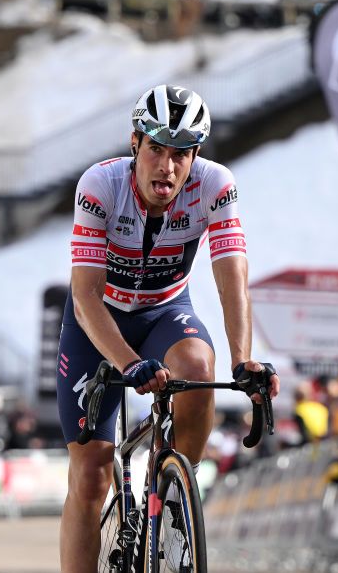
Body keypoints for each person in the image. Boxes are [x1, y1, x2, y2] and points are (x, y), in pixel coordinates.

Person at [56, 84, 280, 573]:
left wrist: (243, 359)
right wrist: (130, 364)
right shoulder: (100, 186)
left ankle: (175, 496)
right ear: (134, 143)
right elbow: (85, 295)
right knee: (92, 474)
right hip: (99, 319)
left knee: (199, 368)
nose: (167, 166)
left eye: (181, 154)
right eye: (156, 149)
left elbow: (231, 277)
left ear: (195, 156)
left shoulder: (215, 185)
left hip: (163, 311)